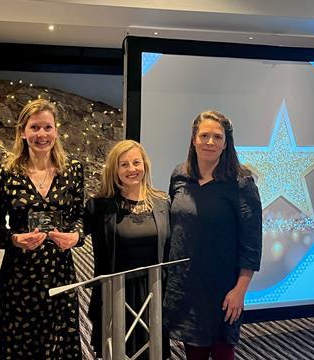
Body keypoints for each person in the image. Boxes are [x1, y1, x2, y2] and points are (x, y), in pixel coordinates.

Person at [163, 110, 262, 360]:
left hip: (222, 288)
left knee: (222, 352)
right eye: (204, 135)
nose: (210, 142)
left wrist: (240, 290)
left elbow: (251, 244)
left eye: (217, 137)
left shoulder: (241, 183)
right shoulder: (179, 175)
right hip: (186, 286)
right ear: (193, 139)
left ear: (226, 143)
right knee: (193, 353)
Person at [0, 99, 84, 359]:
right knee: (18, 344)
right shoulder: (5, 173)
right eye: (35, 128)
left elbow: (79, 216)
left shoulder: (73, 170)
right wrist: (14, 239)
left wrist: (75, 237)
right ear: (23, 131)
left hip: (60, 273)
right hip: (20, 276)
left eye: (48, 127)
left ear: (56, 130)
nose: (42, 135)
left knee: (57, 345)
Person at [84, 140, 171, 359]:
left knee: (154, 351)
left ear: (145, 165)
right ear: (115, 169)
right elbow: (76, 235)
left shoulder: (163, 203)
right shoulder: (100, 206)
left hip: (154, 291)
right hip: (118, 292)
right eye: (124, 164)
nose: (132, 169)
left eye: (136, 162)